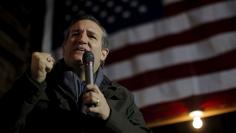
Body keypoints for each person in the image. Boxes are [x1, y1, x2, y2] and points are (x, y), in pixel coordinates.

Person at [0, 15, 152, 133]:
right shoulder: (37, 82)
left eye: (91, 36)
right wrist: (32, 81)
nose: (82, 39)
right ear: (64, 48)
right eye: (75, 34)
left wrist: (109, 115)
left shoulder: (122, 96)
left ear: (103, 54)